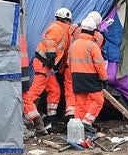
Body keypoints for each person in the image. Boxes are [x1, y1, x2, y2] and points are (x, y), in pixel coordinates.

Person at [24, 7, 73, 135]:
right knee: (35, 90)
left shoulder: (63, 29)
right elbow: (50, 41)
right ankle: (26, 112)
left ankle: (51, 117)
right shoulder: (57, 27)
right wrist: (51, 54)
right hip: (43, 63)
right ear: (67, 20)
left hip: (48, 65)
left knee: (55, 90)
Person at [69, 17, 108, 133]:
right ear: (93, 31)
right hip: (90, 77)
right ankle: (86, 122)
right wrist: (104, 79)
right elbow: (99, 65)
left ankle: (77, 126)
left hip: (76, 76)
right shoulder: (93, 46)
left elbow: (69, 62)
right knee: (98, 100)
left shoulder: (74, 45)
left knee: (80, 103)